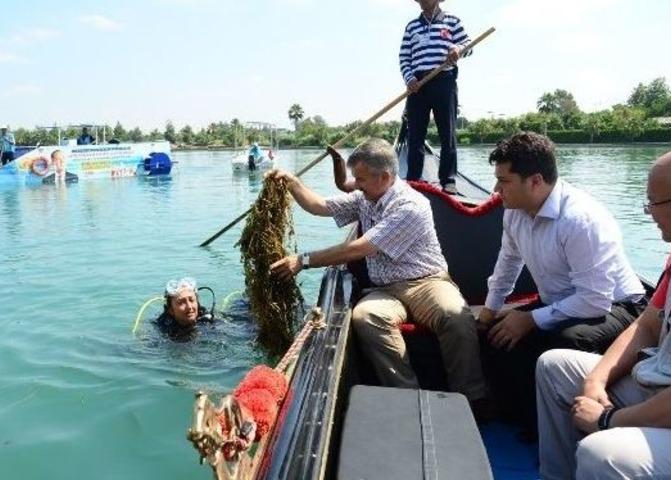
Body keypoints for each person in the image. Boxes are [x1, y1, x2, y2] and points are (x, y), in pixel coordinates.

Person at [268, 138, 487, 407]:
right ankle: (408, 397)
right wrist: (291, 182)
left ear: (384, 177)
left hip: (427, 282)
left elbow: (360, 248)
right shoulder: (366, 197)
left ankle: (472, 398)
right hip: (384, 289)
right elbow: (319, 206)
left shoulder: (410, 206)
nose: (355, 185)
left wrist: (303, 260)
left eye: (360, 179)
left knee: (455, 315)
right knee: (366, 316)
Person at [479, 132, 646, 437]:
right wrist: (489, 312)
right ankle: (525, 417)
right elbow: (507, 266)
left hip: (618, 306)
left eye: (503, 181)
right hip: (562, 300)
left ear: (535, 181)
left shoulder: (580, 220)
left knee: (567, 340)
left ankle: (559, 429)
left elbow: (594, 301)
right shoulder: (514, 213)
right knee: (495, 335)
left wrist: (530, 319)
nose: (496, 190)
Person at [535, 146, 671, 479]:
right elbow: (647, 325)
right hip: (662, 381)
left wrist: (607, 420)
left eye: (654, 203)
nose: (649, 213)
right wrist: (595, 380)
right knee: (555, 367)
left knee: (603, 455)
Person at [400, 0, 472, 194]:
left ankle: (448, 180)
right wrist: (410, 79)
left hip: (444, 80)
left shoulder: (452, 21)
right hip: (418, 86)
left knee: (447, 133)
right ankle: (414, 180)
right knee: (415, 135)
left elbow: (469, 44)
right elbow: (404, 58)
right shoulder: (411, 26)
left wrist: (458, 49)